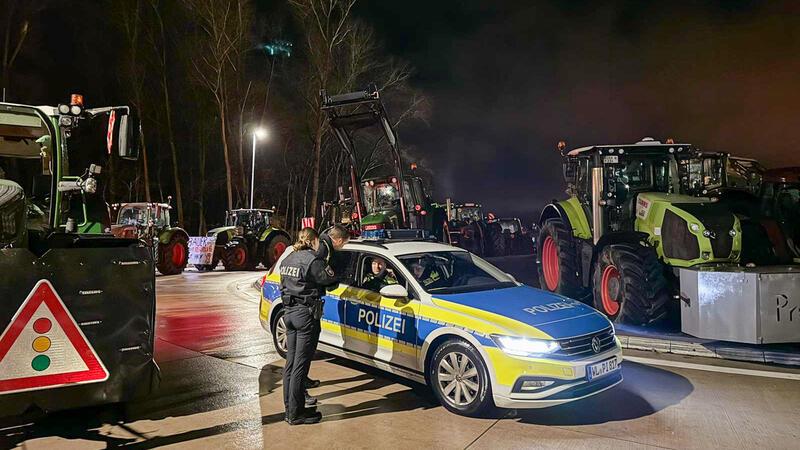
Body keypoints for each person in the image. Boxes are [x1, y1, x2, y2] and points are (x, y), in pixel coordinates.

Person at [279, 227, 339, 425]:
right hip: (305, 315)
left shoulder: (288, 258)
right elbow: (330, 280)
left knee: (290, 364)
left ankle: (289, 410)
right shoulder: (312, 260)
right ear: (313, 241)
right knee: (300, 366)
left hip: (289, 312)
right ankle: (296, 414)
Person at [304, 225, 350, 391]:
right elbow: (322, 276)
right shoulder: (323, 250)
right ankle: (301, 383)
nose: (342, 247)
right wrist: (334, 280)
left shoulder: (322, 244)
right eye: (343, 244)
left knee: (304, 349)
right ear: (337, 240)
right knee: (306, 347)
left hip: (304, 303)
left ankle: (302, 379)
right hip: (308, 304)